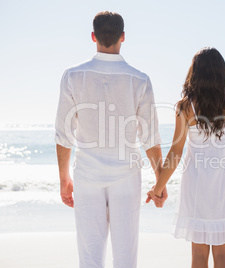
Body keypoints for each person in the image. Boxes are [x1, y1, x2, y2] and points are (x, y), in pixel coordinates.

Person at [55, 11, 167, 268]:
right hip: (127, 177)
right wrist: (159, 179)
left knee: (90, 258)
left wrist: (64, 179)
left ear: (93, 36)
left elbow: (64, 134)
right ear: (123, 37)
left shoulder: (73, 76)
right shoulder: (139, 80)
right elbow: (149, 136)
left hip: (87, 176)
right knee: (126, 257)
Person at [147, 47, 225, 268]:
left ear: (195, 74)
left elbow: (175, 152)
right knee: (223, 257)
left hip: (196, 189)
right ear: (222, 74)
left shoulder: (185, 107)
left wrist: (158, 188)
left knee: (197, 256)